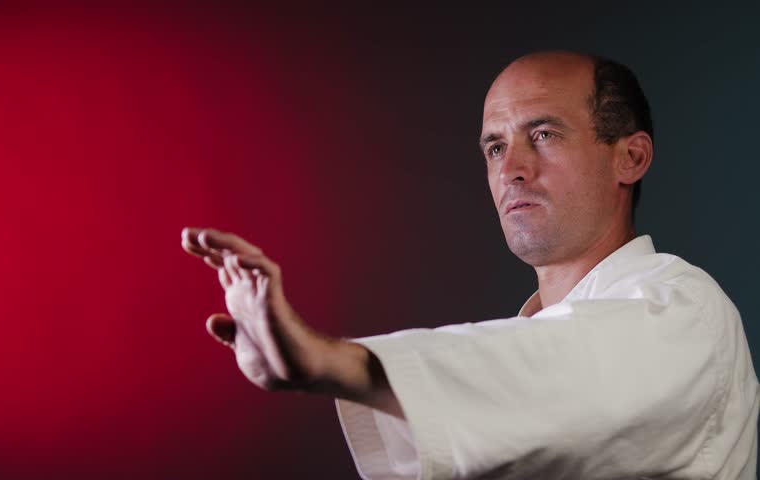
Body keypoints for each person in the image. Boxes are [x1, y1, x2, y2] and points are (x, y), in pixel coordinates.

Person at [180, 51, 759, 479]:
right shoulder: (517, 352)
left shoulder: (686, 311)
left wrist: (326, 361)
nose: (512, 169)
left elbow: (559, 369)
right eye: (495, 147)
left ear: (630, 157)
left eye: (543, 134)